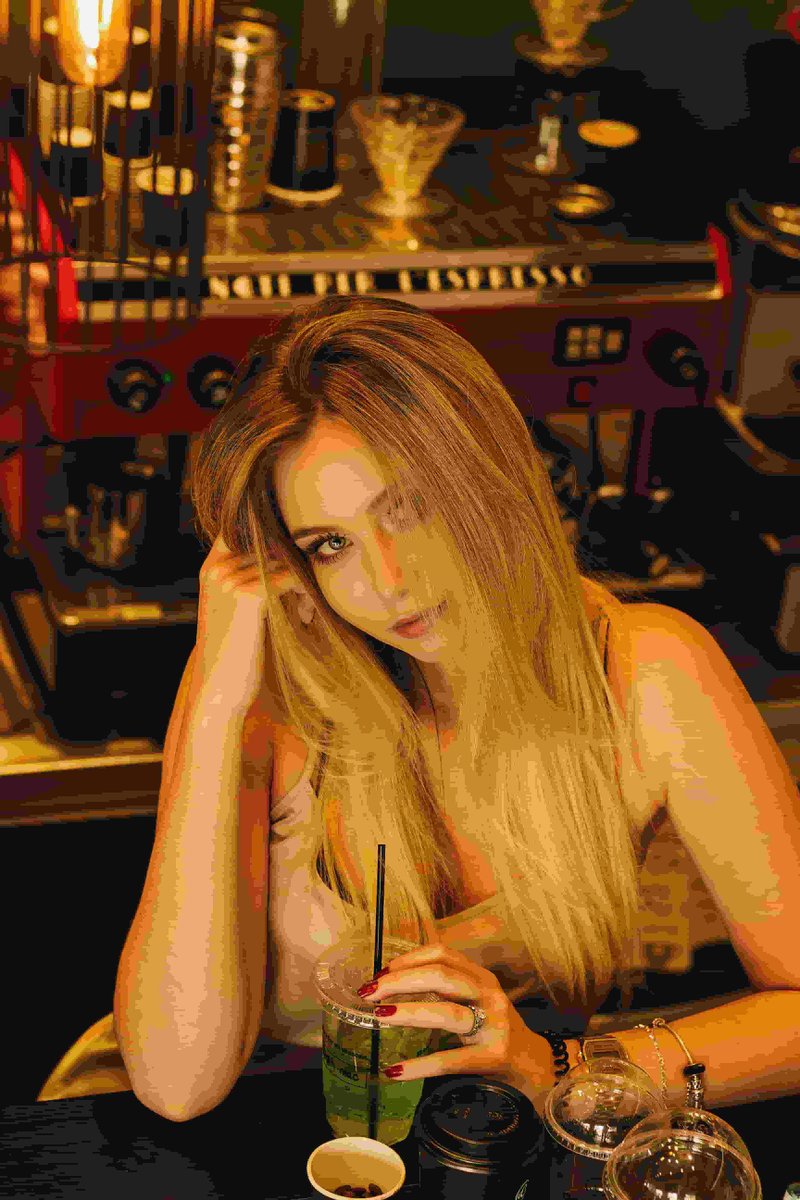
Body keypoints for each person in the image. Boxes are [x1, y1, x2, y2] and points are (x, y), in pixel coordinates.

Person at [113, 295, 800, 1122]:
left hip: (494, 1134)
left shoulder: (645, 670)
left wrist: (565, 1069)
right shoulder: (264, 697)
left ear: (491, 479)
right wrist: (215, 704)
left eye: (409, 509)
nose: (388, 581)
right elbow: (178, 1086)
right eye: (331, 544)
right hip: (248, 1135)